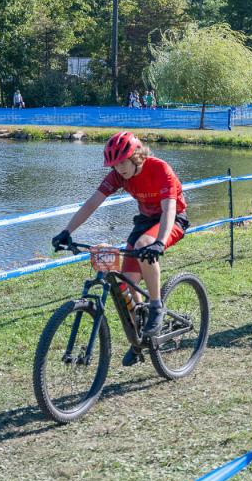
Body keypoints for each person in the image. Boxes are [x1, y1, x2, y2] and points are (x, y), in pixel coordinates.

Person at [51, 133, 188, 364]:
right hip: (145, 222)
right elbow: (92, 203)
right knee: (126, 284)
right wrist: (67, 231)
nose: (119, 168)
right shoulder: (117, 176)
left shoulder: (159, 169)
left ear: (136, 156)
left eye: (123, 162)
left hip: (172, 220)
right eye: (114, 164)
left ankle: (156, 307)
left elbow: (169, 210)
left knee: (145, 244)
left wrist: (160, 242)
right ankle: (140, 342)